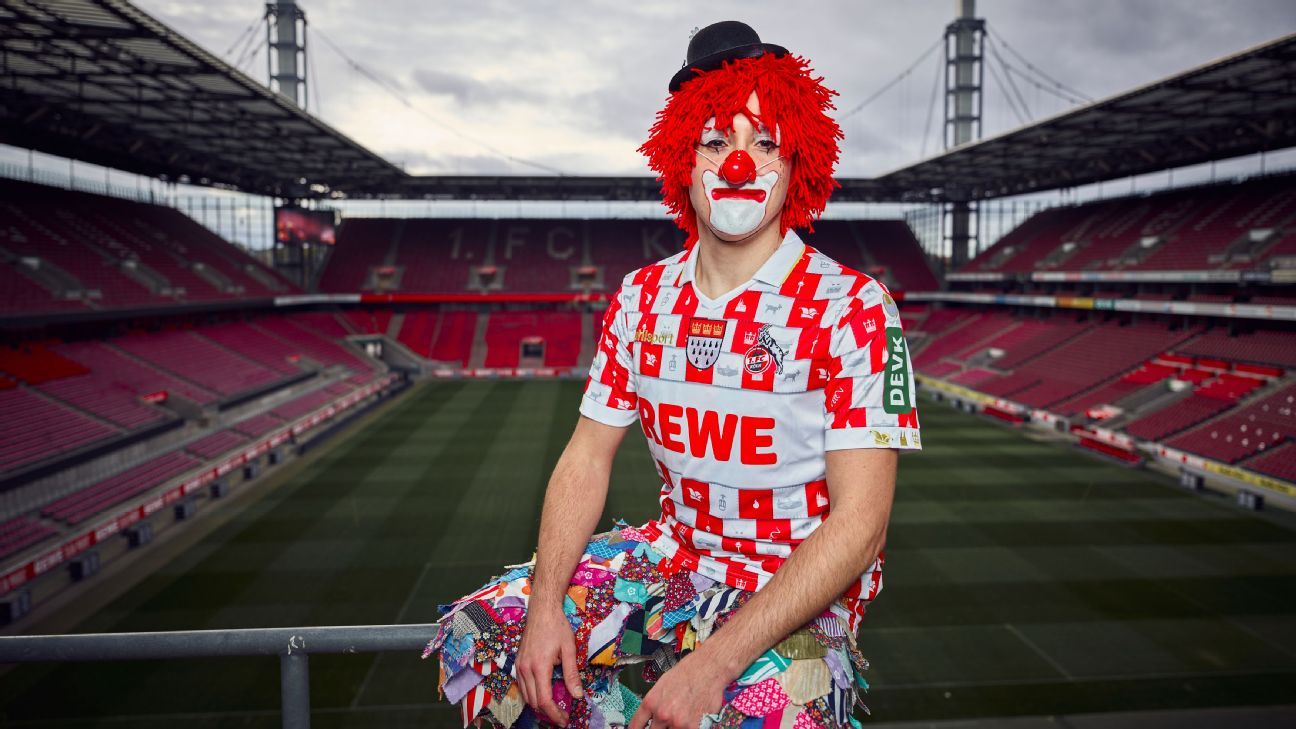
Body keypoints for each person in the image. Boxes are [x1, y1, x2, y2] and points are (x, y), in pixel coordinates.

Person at [421, 20, 921, 729]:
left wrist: (714, 664)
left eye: (765, 143)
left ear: (796, 164)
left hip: (795, 594)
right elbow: (586, 457)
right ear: (682, 161)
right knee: (483, 636)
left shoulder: (856, 307)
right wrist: (544, 606)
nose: (739, 163)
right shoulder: (641, 297)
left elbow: (862, 525)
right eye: (715, 141)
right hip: (673, 562)